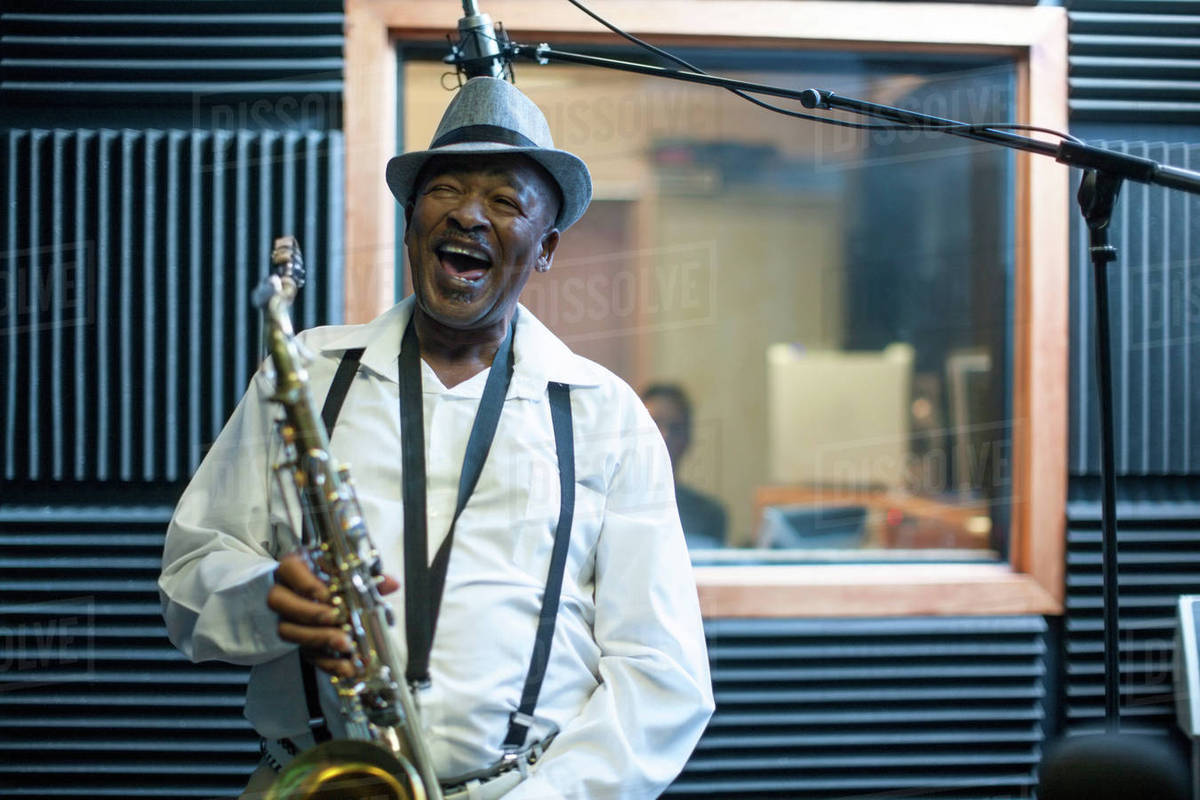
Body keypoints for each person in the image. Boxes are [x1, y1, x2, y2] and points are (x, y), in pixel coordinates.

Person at [158, 76, 713, 800]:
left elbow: (661, 675)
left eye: (505, 201)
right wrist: (265, 599)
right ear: (411, 222)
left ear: (544, 248)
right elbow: (188, 581)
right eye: (445, 189)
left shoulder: (607, 415)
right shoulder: (305, 374)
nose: (469, 216)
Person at [641, 384, 728, 550]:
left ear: (688, 437)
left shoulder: (710, 515)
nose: (665, 435)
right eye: (654, 424)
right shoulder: (607, 508)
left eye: (675, 428)